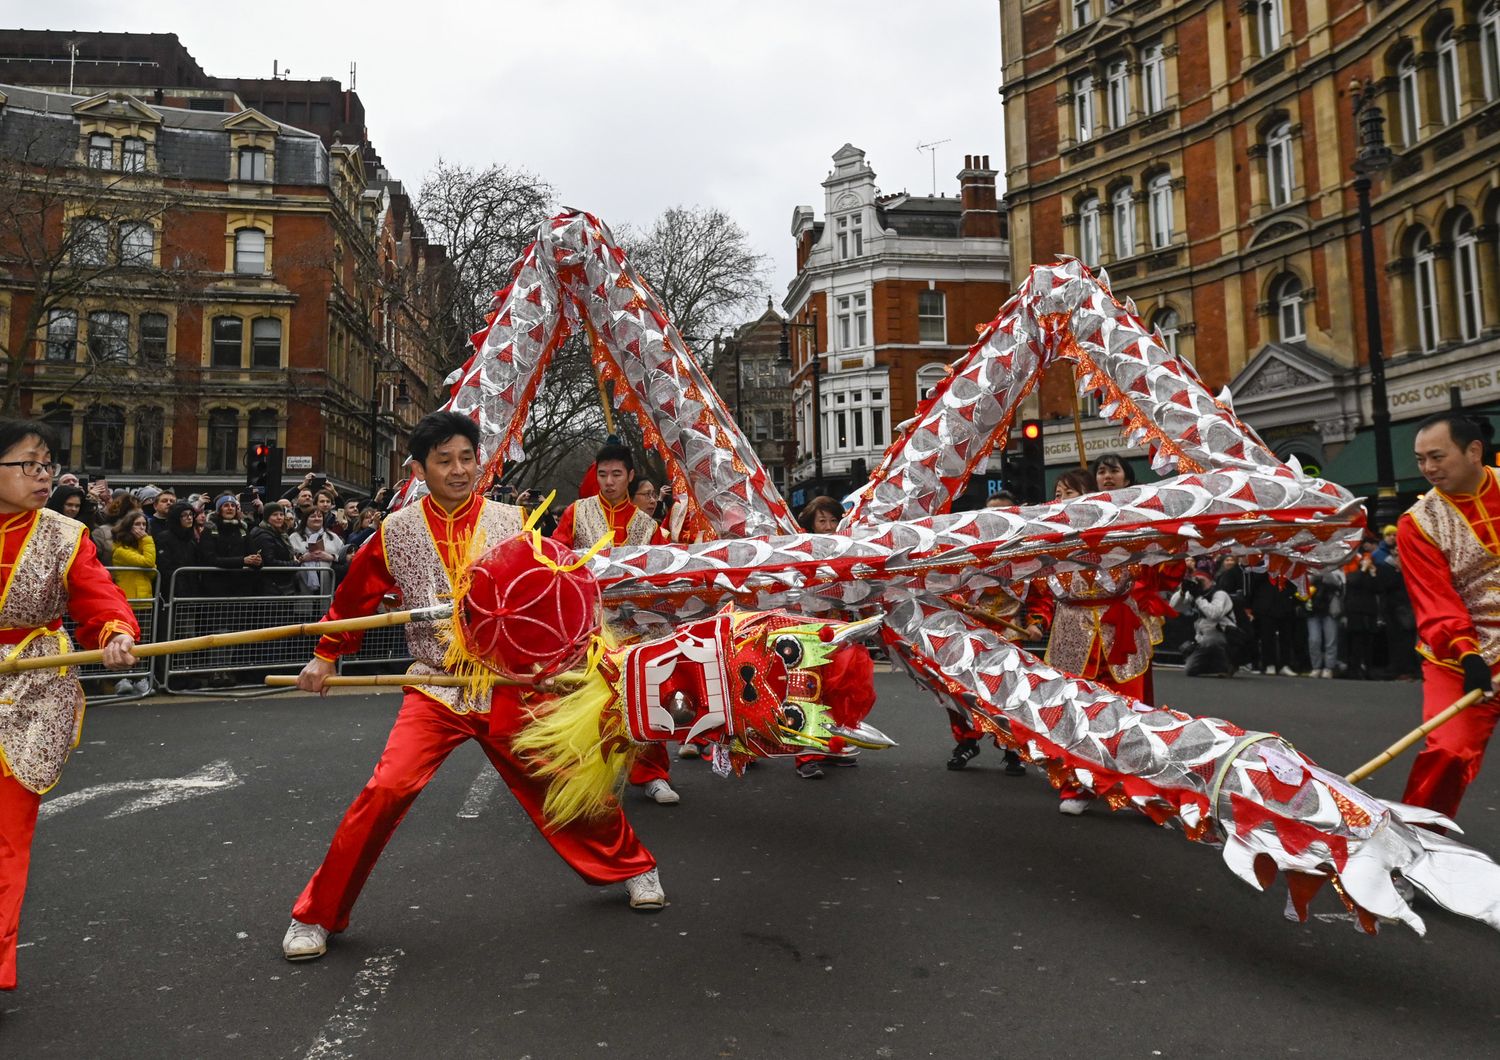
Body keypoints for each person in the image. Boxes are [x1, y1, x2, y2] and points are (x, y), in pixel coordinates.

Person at [282, 412, 662, 962]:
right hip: (436, 687)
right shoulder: (395, 531)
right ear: (419, 469)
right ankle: (316, 915)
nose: (458, 470)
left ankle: (635, 868)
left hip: (509, 684)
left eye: (466, 458)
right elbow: (354, 599)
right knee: (386, 789)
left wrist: (574, 652)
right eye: (444, 461)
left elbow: (557, 590)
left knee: (560, 778)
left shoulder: (515, 522)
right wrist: (324, 657)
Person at [0, 419, 139, 991]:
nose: (43, 476)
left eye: (47, 465)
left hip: (30, 690)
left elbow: (97, 594)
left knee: (6, 836)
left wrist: (114, 633)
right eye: (28, 464)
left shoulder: (64, 534)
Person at [1031, 468, 1177, 814]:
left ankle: (1140, 788)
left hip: (1120, 635)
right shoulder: (1051, 538)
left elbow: (1157, 570)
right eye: (1059, 492)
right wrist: (1039, 618)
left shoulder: (1123, 531)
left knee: (1129, 714)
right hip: (1072, 636)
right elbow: (1039, 587)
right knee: (1075, 711)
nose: (1062, 498)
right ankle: (1076, 784)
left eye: (1070, 492)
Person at [551, 439, 677, 801]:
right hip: (587, 627)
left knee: (646, 695)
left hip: (636, 626)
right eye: (603, 474)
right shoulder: (577, 512)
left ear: (630, 476)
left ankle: (652, 772)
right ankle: (579, 773)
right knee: (582, 700)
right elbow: (558, 557)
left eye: (616, 474)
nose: (609, 482)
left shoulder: (647, 525)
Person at [1397, 413, 1500, 820]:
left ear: (1474, 451)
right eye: (1421, 459)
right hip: (1458, 659)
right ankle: (1411, 853)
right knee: (1448, 752)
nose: (1427, 469)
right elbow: (1435, 601)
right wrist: (1469, 654)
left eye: (1436, 457)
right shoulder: (1417, 524)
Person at [107, 509, 157, 696]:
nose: (142, 529)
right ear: (128, 526)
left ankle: (140, 677)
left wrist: (146, 549)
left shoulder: (141, 547)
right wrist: (147, 540)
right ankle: (123, 678)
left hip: (144, 601)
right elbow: (148, 562)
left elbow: (152, 571)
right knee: (123, 642)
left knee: (142, 644)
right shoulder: (121, 550)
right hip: (127, 602)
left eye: (144, 525)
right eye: (137, 524)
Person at [1170, 574, 1237, 677]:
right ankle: (1214, 665)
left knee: (1211, 640)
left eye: (1202, 580)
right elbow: (1174, 607)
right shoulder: (1194, 594)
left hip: (1224, 637)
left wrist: (1198, 598)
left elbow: (1214, 614)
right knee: (1190, 669)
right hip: (1202, 639)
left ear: (1211, 581)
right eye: (1196, 579)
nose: (1199, 583)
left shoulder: (1220, 594)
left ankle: (1227, 664)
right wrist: (1182, 592)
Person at [289, 508, 346, 593]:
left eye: (319, 516)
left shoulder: (333, 537)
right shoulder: (294, 537)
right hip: (302, 581)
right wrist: (302, 558)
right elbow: (289, 557)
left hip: (328, 579)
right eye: (313, 516)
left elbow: (343, 556)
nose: (317, 518)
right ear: (305, 519)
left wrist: (331, 557)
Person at [248, 505, 299, 595]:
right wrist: (294, 564)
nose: (279, 518)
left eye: (281, 514)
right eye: (275, 515)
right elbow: (269, 561)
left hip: (280, 584)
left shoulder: (279, 533)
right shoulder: (264, 536)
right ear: (267, 517)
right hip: (271, 586)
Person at [1304, 566, 1344, 679]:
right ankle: (1316, 667)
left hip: (1330, 610)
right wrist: (1314, 574)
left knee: (1330, 640)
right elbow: (1304, 585)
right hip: (1313, 609)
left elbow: (1339, 585)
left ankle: (1329, 667)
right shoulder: (1309, 571)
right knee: (1314, 640)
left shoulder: (1335, 571)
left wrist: (1325, 572)